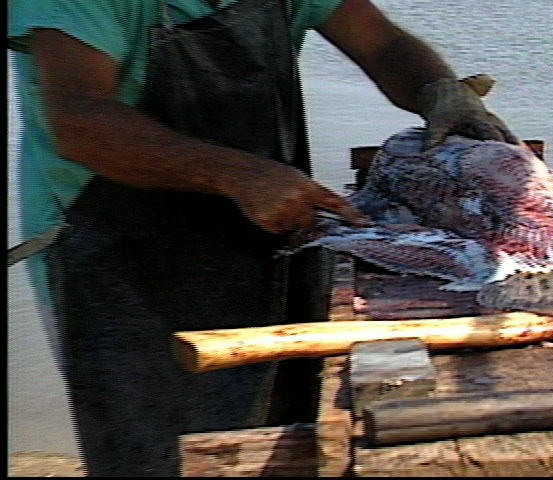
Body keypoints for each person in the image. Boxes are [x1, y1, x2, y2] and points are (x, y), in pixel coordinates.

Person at [9, 0, 518, 475]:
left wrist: (438, 90)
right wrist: (236, 175)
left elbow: (381, 43)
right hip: (116, 247)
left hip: (264, 224)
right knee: (153, 440)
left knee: (277, 417)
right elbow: (78, 120)